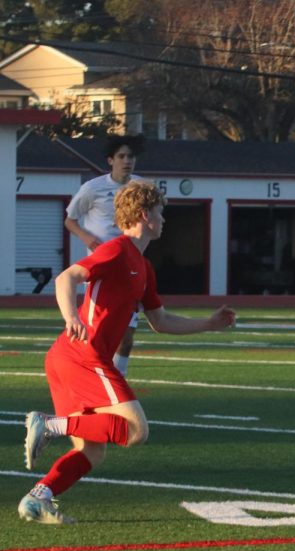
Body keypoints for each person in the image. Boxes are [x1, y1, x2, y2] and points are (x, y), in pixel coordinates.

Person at [20, 180, 237, 524]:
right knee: (136, 431)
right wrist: (71, 316)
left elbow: (160, 320)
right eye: (160, 212)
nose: (164, 219)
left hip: (68, 358)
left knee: (92, 451)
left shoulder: (144, 267)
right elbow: (66, 278)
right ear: (143, 215)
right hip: (82, 357)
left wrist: (208, 324)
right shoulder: (116, 250)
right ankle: (49, 424)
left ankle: (38, 497)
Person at [65, 134, 145, 377]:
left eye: (130, 156)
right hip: (102, 270)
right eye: (121, 156)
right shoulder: (93, 188)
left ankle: (117, 381)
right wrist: (87, 237)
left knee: (127, 335)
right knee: (99, 335)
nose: (127, 161)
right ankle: (84, 373)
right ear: (110, 160)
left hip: (130, 268)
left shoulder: (141, 188)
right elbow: (70, 220)